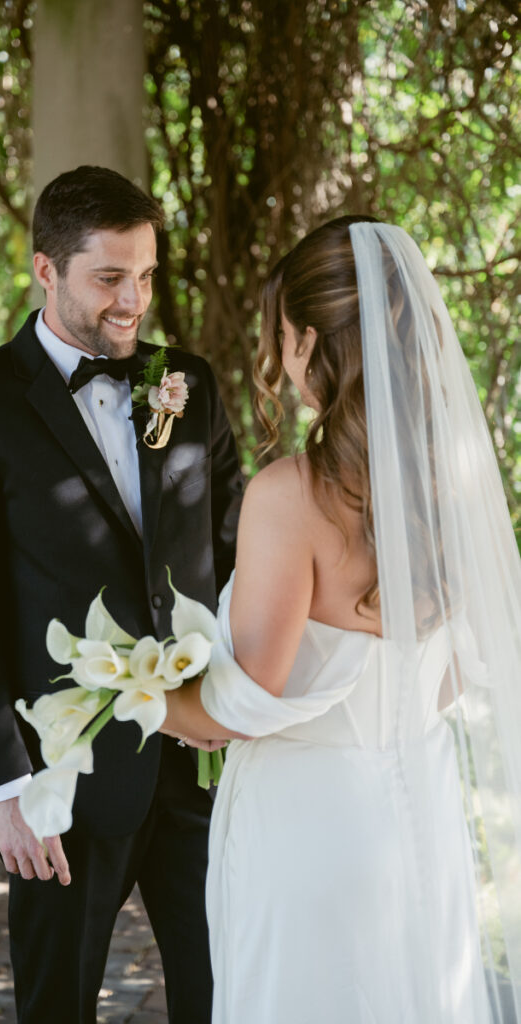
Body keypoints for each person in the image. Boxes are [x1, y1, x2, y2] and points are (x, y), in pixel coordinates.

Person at [0, 165, 243, 1023]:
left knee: (230, 994)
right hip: (66, 779)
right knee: (56, 1005)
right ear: (46, 271)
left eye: (146, 275)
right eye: (108, 278)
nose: (133, 301)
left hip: (201, 766)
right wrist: (4, 788)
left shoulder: (189, 387)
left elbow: (236, 559)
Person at [162, 216, 521, 1022]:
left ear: (308, 342)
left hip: (304, 826)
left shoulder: (289, 497)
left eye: (283, 337)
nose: (281, 359)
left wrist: (140, 697)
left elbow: (240, 709)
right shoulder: (453, 481)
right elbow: (454, 673)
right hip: (419, 812)